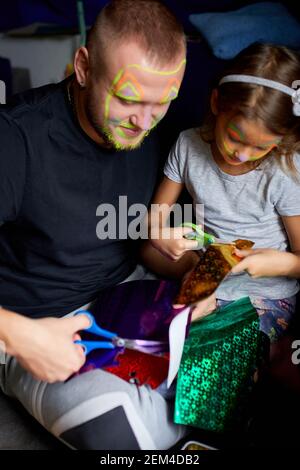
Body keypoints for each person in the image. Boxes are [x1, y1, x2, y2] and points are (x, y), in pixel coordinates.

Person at [0, 0, 192, 450]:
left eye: (162, 103)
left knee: (237, 364)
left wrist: (195, 276)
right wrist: (19, 335)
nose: (143, 122)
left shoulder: (160, 130)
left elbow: (138, 238)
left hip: (130, 295)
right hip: (41, 323)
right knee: (127, 438)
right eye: (128, 99)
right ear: (84, 67)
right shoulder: (15, 140)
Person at [142, 43, 300, 341]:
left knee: (218, 357)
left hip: (262, 294)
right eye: (234, 137)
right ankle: (197, 280)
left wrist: (281, 263)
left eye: (261, 147)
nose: (242, 154)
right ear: (216, 103)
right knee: (146, 249)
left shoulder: (284, 171)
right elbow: (153, 219)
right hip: (206, 270)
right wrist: (159, 234)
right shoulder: (188, 145)